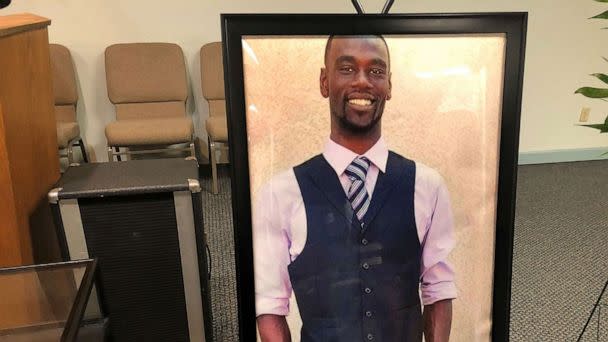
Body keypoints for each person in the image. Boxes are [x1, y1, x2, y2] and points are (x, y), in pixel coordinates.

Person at [253, 35, 456, 342]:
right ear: (324, 82)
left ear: (389, 85)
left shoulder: (428, 187)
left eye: (376, 71)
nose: (363, 82)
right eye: (347, 68)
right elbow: (269, 305)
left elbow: (438, 290)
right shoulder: (279, 194)